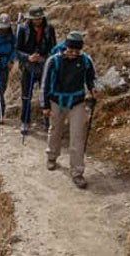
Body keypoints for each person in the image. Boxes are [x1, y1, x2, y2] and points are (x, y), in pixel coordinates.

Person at [41, 31, 99, 189]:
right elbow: (45, 85)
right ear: (65, 47)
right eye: (71, 51)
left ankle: (77, 172)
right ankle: (52, 157)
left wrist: (93, 88)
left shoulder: (85, 60)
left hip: (77, 102)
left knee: (77, 136)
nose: (73, 54)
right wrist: (45, 105)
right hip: (56, 101)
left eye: (76, 51)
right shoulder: (53, 61)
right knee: (55, 130)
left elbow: (90, 77)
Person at [16, 6, 57, 134]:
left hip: (44, 65)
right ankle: (25, 121)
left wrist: (46, 58)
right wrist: (28, 57)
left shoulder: (49, 29)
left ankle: (47, 121)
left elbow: (53, 48)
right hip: (28, 66)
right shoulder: (23, 29)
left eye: (39, 18)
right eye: (35, 19)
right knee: (26, 95)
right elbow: (17, 50)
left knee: (46, 94)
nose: (37, 21)